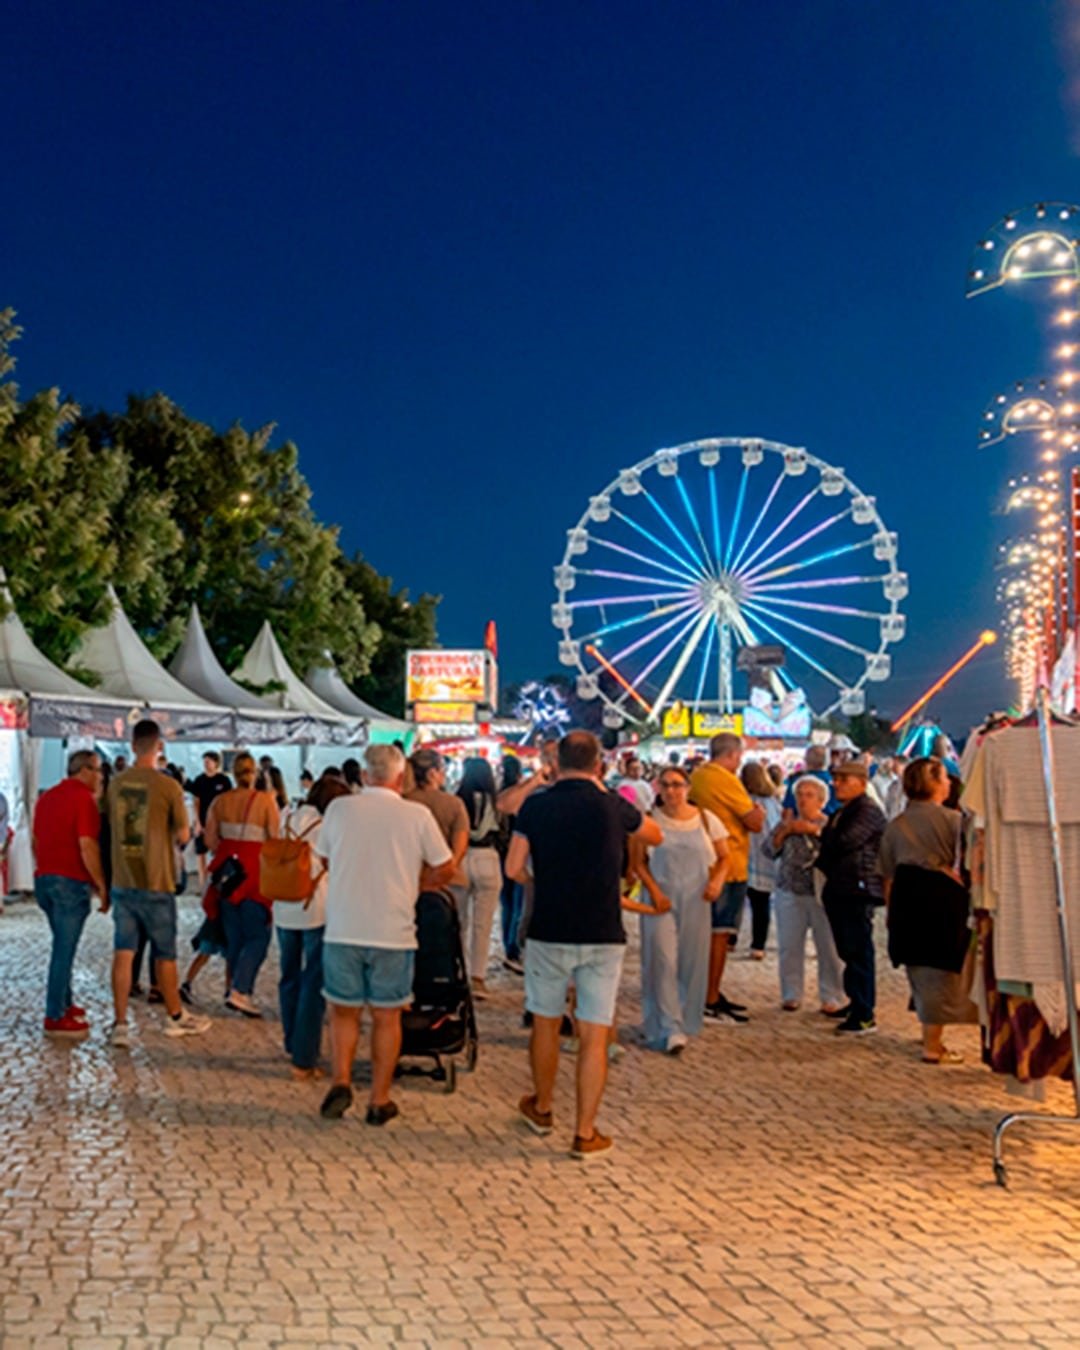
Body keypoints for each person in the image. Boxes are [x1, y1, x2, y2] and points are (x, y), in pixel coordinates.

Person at [506, 731, 662, 1159]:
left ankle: (541, 1107)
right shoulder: (612, 806)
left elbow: (513, 866)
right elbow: (654, 834)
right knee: (594, 1032)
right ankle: (585, 1131)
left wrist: (540, 882)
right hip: (602, 930)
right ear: (599, 763)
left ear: (558, 761)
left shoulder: (536, 807)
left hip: (550, 927)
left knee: (546, 1022)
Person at [316, 743, 454, 1125]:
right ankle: (379, 1099)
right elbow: (446, 868)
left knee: (342, 1012)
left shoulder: (340, 809)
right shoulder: (417, 815)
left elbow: (324, 858)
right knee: (386, 1017)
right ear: (400, 777)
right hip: (393, 930)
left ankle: (341, 1080)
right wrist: (418, 883)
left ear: (364, 775)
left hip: (344, 926)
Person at [107, 720, 211, 1044]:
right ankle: (174, 1016)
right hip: (157, 880)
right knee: (165, 954)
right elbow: (182, 834)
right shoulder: (169, 787)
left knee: (123, 952)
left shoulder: (115, 784)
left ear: (132, 743)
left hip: (123, 879)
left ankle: (120, 1023)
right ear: (159, 746)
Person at [879, 757, 976, 1064]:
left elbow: (888, 874)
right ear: (933, 783)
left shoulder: (896, 825)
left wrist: (891, 914)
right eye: (945, 778)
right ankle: (932, 1045)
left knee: (920, 969)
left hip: (908, 899)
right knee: (941, 970)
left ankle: (929, 1035)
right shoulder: (953, 821)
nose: (949, 783)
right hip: (943, 900)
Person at [634, 764, 729, 1053]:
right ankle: (667, 1024)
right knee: (662, 959)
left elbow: (725, 857)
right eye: (666, 785)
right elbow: (638, 863)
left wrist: (717, 883)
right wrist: (653, 890)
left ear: (687, 788)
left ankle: (686, 1016)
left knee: (691, 959)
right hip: (659, 900)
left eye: (677, 785)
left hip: (696, 897)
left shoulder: (705, 819)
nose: (672, 791)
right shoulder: (649, 820)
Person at [275, 775, 351, 1079]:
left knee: (289, 976)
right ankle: (305, 1058)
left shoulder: (288, 816)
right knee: (313, 982)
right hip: (315, 908)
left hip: (283, 906)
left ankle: (293, 1042)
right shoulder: (326, 826)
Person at [689, 734, 764, 1023]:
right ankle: (710, 997)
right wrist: (756, 811)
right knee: (719, 934)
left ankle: (707, 993)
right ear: (733, 755)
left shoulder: (698, 776)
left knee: (705, 934)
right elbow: (754, 822)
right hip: (728, 864)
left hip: (702, 861)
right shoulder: (726, 780)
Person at [32, 750, 107, 1037]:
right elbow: (87, 845)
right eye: (98, 770)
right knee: (64, 950)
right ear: (85, 770)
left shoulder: (47, 797)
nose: (101, 777)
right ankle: (54, 1015)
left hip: (45, 880)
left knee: (63, 944)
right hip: (70, 882)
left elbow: (37, 840)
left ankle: (65, 1002)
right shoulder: (83, 800)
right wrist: (101, 885)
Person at [204, 751, 280, 1017]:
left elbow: (210, 840)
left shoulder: (220, 801)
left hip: (227, 873)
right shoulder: (265, 801)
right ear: (255, 773)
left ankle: (235, 988)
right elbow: (274, 838)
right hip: (255, 872)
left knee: (234, 936)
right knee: (258, 935)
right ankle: (241, 989)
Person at [815, 759, 886, 1036]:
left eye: (844, 779)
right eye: (836, 778)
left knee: (858, 951)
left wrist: (826, 838)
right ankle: (856, 1001)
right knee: (848, 949)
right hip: (842, 885)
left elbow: (842, 841)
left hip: (857, 887)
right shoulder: (845, 810)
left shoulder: (866, 811)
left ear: (861, 782)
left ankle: (864, 1012)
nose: (837, 784)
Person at [765, 776, 845, 1014]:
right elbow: (769, 851)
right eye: (799, 794)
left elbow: (839, 849)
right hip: (789, 890)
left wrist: (814, 830)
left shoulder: (830, 825)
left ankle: (832, 994)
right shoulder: (786, 823)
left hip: (822, 893)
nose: (803, 800)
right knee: (789, 945)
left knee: (828, 947)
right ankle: (791, 993)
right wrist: (784, 833)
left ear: (821, 800)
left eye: (809, 795)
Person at [453, 757, 504, 996]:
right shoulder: (496, 801)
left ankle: (458, 972)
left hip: (461, 858)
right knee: (483, 925)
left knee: (459, 922)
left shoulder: (457, 799)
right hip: (488, 858)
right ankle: (478, 976)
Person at [741, 760, 782, 959]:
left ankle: (731, 940)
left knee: (739, 900)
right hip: (767, 857)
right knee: (761, 903)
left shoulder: (745, 801)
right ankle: (758, 945)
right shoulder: (773, 802)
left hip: (747, 855)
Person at [497, 756, 526, 974]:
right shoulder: (522, 795)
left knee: (507, 904)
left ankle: (508, 946)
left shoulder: (497, 794)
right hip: (519, 854)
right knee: (518, 903)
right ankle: (513, 948)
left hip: (498, 854)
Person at [190, 751, 231, 889]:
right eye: (204, 762)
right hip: (202, 821)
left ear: (216, 763)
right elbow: (196, 801)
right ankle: (202, 884)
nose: (206, 764)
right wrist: (197, 822)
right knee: (200, 853)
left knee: (219, 853)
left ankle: (218, 882)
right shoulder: (199, 780)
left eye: (209, 761)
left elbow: (227, 802)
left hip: (219, 822)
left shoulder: (223, 781)